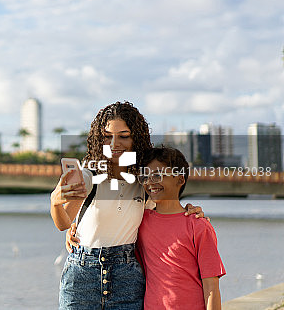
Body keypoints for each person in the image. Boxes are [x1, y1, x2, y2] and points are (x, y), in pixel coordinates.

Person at [51, 101, 205, 310]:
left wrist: (190, 212)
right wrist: (55, 202)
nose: (114, 144)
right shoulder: (88, 176)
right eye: (107, 136)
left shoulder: (143, 182)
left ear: (136, 139)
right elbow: (63, 223)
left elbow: (167, 212)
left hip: (127, 279)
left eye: (123, 136)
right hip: (82, 279)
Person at [135, 146, 225, 310]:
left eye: (158, 175)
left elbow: (211, 286)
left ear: (180, 179)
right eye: (145, 176)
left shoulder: (198, 226)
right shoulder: (139, 222)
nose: (150, 182)